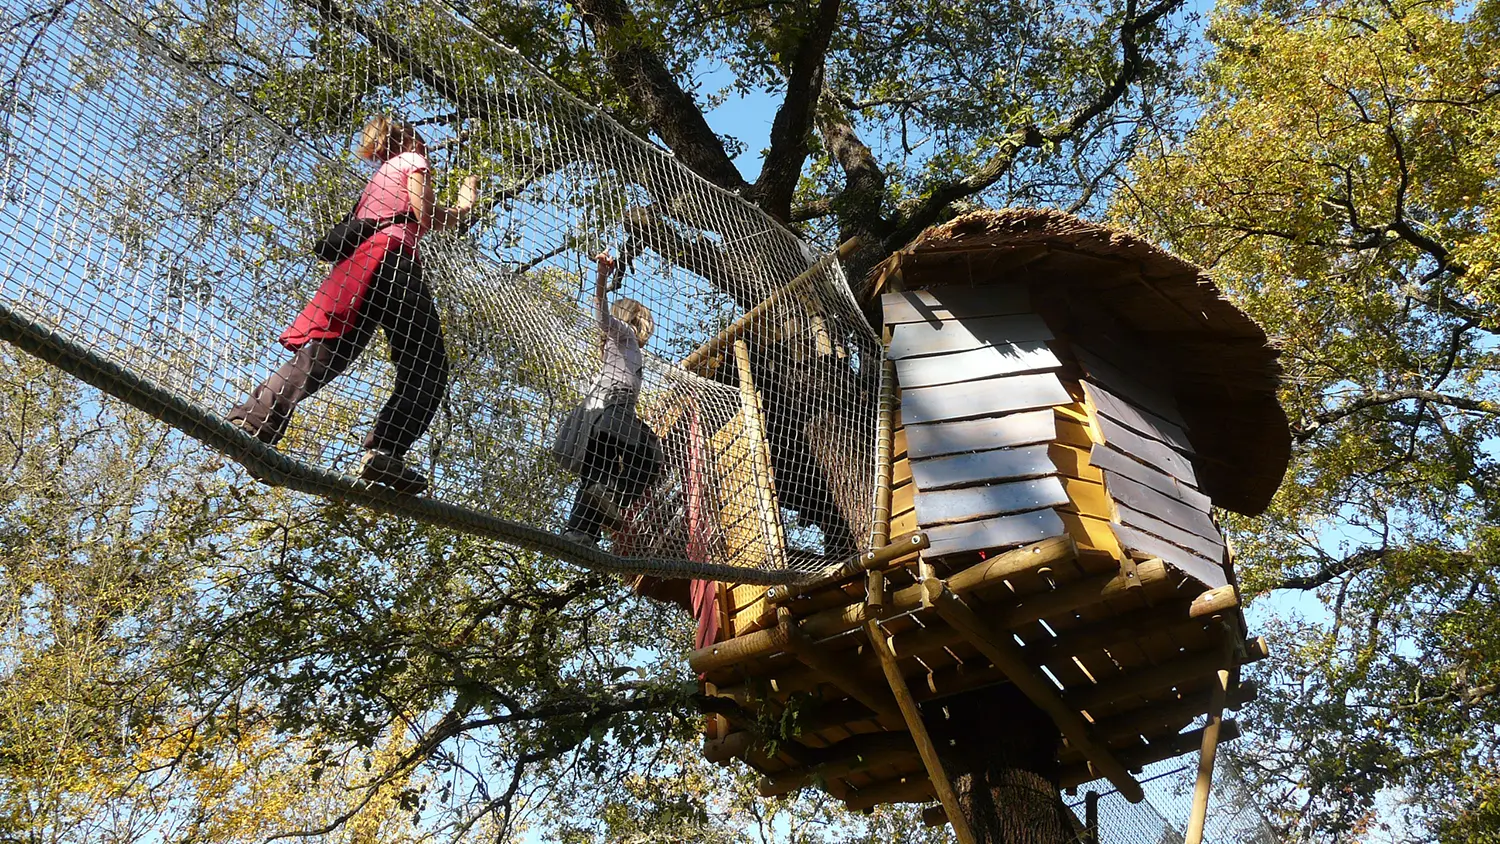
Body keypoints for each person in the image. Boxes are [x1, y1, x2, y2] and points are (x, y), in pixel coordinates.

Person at [229, 115, 478, 495]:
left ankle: (254, 420)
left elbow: (412, 216)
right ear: (410, 141)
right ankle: (387, 449)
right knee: (426, 362)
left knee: (329, 352)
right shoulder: (414, 161)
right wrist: (463, 206)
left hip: (358, 268)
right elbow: (425, 215)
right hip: (393, 262)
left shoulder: (376, 181)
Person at [553, 252, 663, 546]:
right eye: (646, 320)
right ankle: (617, 497)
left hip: (604, 412)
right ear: (636, 319)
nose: (650, 328)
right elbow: (602, 312)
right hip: (610, 407)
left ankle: (580, 532)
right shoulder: (624, 335)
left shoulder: (624, 348)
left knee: (598, 472)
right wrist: (602, 277)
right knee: (650, 454)